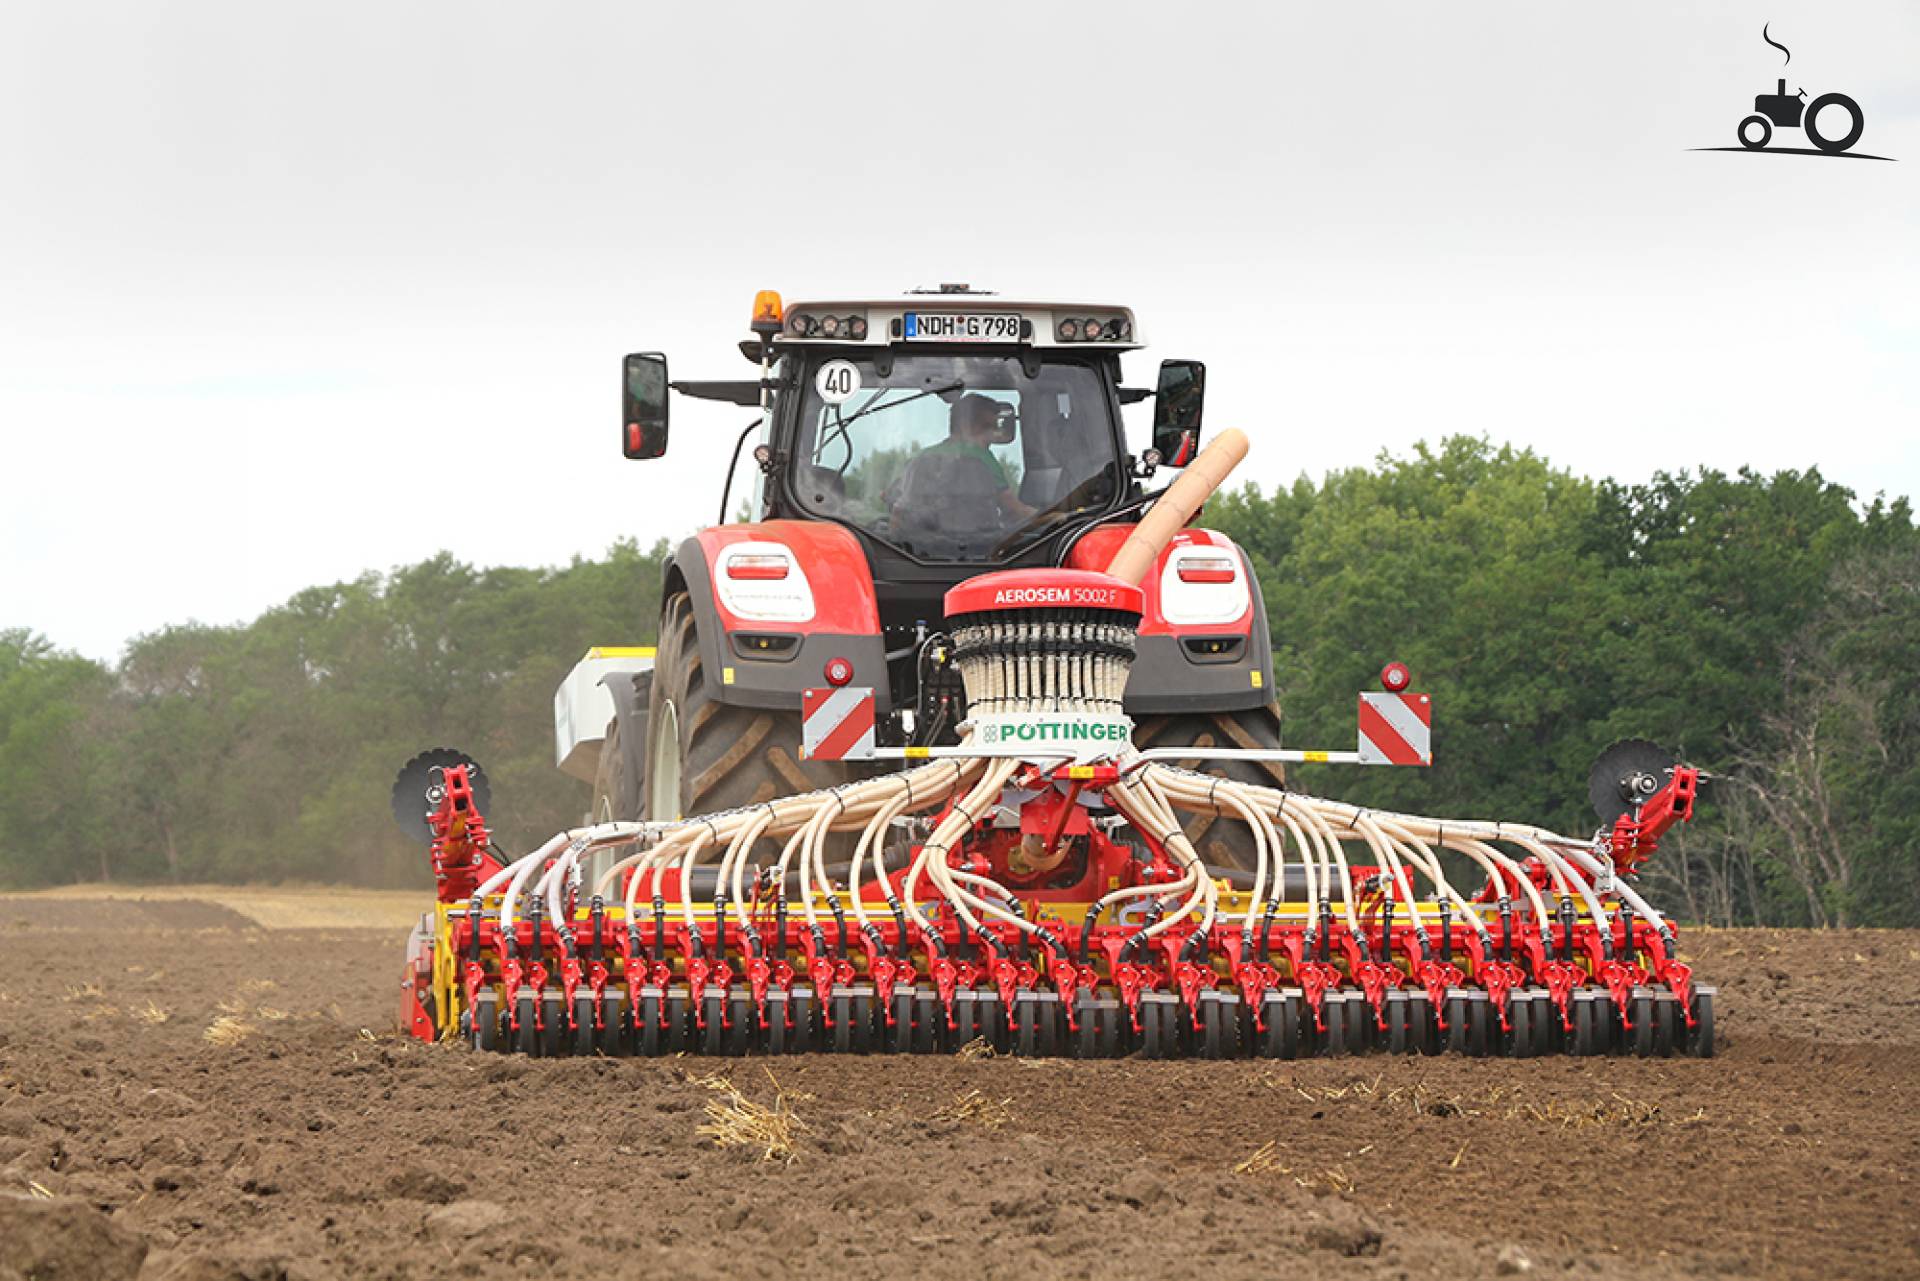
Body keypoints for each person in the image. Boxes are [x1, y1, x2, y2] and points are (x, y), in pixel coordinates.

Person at [897, 393, 1034, 525]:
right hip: (978, 540)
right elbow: (1014, 510)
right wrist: (1044, 516)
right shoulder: (982, 459)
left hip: (918, 540)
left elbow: (895, 507)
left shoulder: (919, 459)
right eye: (989, 427)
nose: (993, 435)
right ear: (967, 427)